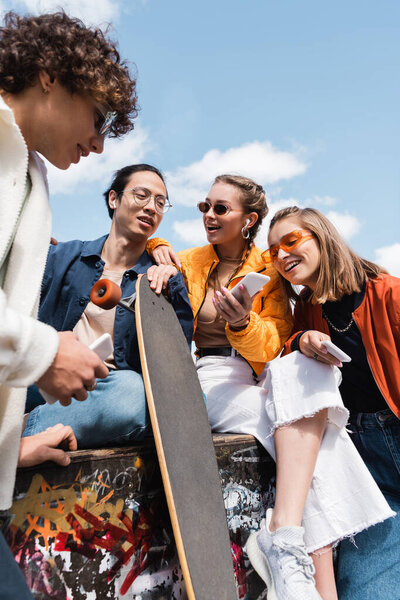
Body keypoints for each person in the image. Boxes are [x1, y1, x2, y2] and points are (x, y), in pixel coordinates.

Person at [147, 174, 394, 600]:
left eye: (221, 208)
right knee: (309, 438)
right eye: (204, 206)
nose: (209, 215)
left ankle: (288, 543)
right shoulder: (186, 262)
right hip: (209, 379)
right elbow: (139, 247)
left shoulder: (272, 275)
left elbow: (273, 348)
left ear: (248, 220)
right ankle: (294, 553)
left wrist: (245, 323)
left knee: (308, 433)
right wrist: (156, 249)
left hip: (282, 390)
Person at [0, 10, 137, 598]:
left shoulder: (30, 172)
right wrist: (45, 350)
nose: (100, 142)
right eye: (100, 117)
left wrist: (13, 446)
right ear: (51, 75)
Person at [267, 206, 400, 600]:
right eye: (274, 250)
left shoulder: (389, 293)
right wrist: (300, 341)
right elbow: (283, 360)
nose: (281, 255)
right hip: (365, 459)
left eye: (291, 240)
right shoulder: (308, 307)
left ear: (322, 237)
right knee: (365, 590)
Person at [23, 164, 193, 447]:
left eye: (160, 203)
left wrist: (166, 297)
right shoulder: (62, 256)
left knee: (135, 395)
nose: (151, 207)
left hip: (106, 393)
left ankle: (26, 431)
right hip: (46, 379)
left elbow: (174, 368)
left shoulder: (164, 280)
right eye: (141, 195)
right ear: (114, 199)